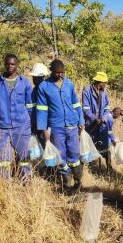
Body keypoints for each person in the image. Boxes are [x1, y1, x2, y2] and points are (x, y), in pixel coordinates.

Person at [36, 59, 85, 191]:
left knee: (75, 154)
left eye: (62, 72)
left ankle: (78, 182)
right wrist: (43, 130)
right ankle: (67, 184)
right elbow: (42, 110)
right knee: (60, 155)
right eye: (57, 72)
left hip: (72, 125)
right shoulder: (44, 87)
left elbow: (76, 104)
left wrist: (81, 121)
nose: (60, 75)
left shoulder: (69, 84)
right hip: (56, 127)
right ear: (51, 71)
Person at [0, 54, 33, 180]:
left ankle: (26, 180)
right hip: (1, 126)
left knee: (24, 156)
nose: (10, 66)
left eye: (13, 64)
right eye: (7, 64)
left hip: (22, 126)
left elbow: (29, 105)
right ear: (4, 64)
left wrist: (31, 123)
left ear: (18, 64)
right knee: (3, 158)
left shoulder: (25, 83)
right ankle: (4, 183)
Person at [82, 72, 112, 169]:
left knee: (104, 144)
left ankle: (108, 166)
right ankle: (90, 165)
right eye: (105, 83)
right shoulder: (87, 91)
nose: (106, 85)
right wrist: (94, 118)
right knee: (90, 144)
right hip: (90, 124)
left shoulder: (104, 93)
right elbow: (86, 109)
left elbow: (107, 108)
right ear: (99, 82)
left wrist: (104, 117)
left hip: (102, 124)